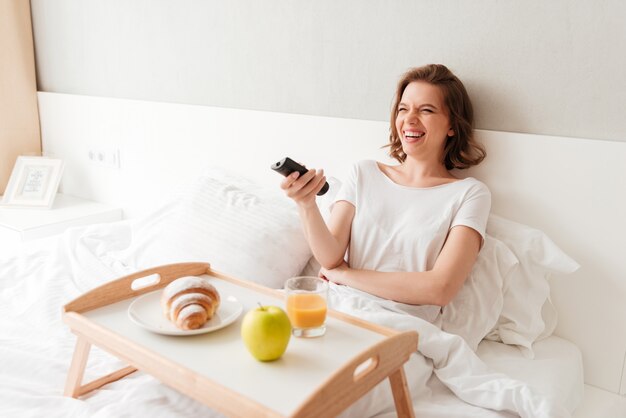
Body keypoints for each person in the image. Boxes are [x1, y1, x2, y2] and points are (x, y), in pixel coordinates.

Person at [280, 64, 490, 323]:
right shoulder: (364, 173)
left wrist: (346, 276)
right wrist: (306, 204)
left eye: (426, 110)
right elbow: (330, 257)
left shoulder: (469, 194)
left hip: (400, 322)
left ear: (452, 126)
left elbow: (440, 288)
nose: (409, 119)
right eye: (403, 109)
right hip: (336, 305)